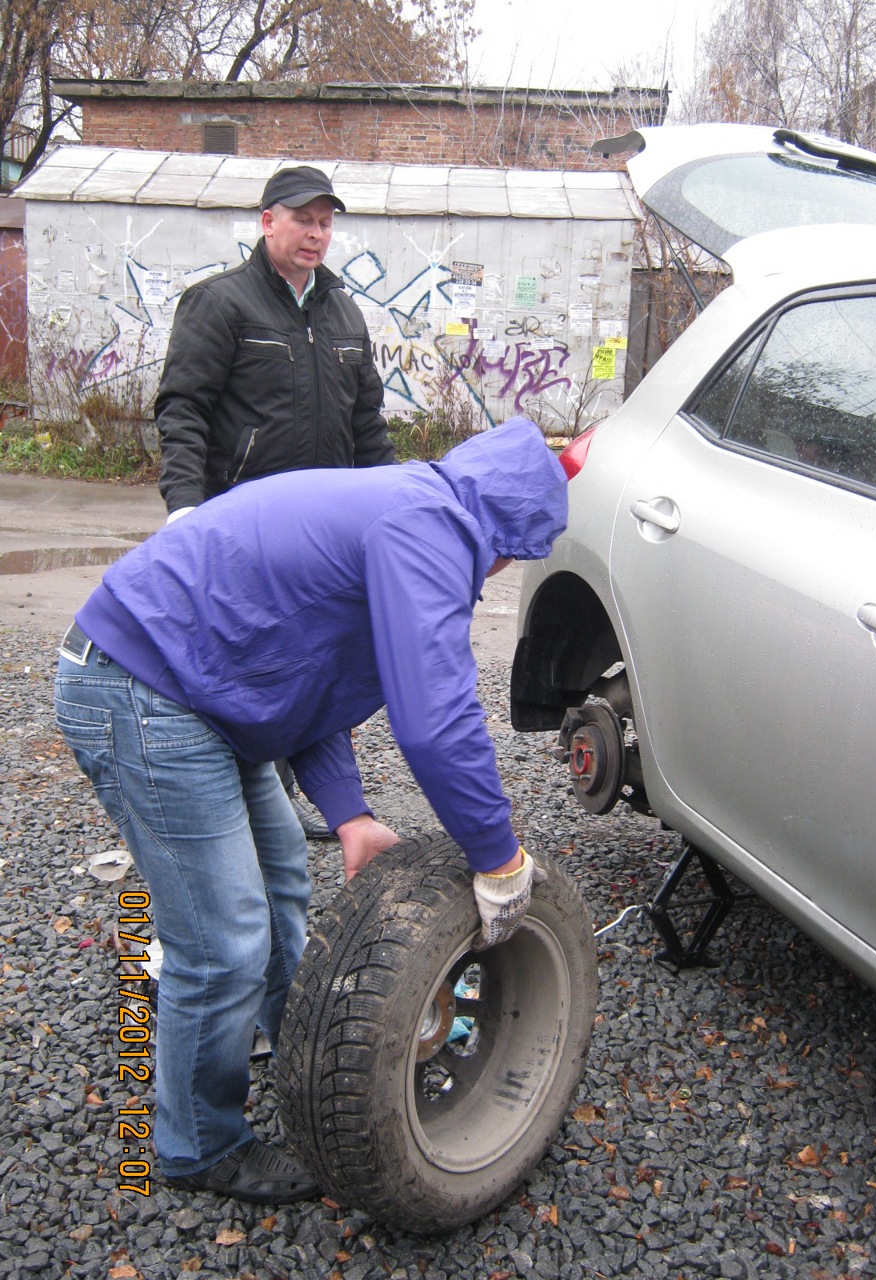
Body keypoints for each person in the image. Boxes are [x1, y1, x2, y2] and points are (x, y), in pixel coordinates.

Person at [54, 417, 568, 1206]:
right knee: (221, 937)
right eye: (514, 553)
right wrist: (497, 855)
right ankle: (198, 1146)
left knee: (282, 882)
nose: (501, 569)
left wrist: (351, 812)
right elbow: (436, 719)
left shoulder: (410, 505)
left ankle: (304, 1051)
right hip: (142, 686)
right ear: (508, 528)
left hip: (202, 688)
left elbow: (315, 669)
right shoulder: (429, 528)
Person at [155, 163, 395, 838]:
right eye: (302, 219)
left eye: (325, 222)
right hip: (242, 530)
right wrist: (184, 507)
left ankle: (292, 801)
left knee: (315, 665)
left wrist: (395, 510)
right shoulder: (222, 303)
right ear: (267, 222)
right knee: (245, 670)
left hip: (324, 540)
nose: (315, 234)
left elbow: (367, 426)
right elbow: (184, 410)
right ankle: (231, 806)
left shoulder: (344, 312)